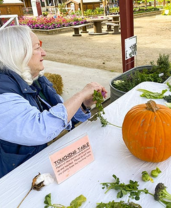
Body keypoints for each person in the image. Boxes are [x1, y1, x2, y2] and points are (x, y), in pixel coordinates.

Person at [0, 25, 107, 178]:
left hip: (48, 163)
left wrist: (83, 104)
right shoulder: (2, 91)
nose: (44, 53)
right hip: (19, 179)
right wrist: (80, 95)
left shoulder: (35, 79)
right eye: (37, 48)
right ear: (17, 53)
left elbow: (59, 114)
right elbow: (39, 129)